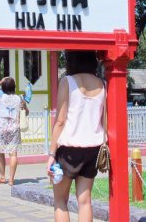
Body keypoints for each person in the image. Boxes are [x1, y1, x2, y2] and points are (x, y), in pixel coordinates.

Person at [46, 50, 106, 222]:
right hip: (93, 149)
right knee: (85, 201)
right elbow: (105, 120)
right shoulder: (102, 84)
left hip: (68, 150)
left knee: (60, 200)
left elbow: (60, 121)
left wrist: (51, 154)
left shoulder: (67, 81)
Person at [0, 77, 28, 186]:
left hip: (2, 128)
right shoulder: (19, 98)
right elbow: (26, 112)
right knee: (13, 154)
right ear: (14, 87)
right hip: (14, 127)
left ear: (3, 87)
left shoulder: (0, 97)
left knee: (0, 151)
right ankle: (11, 179)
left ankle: (2, 176)